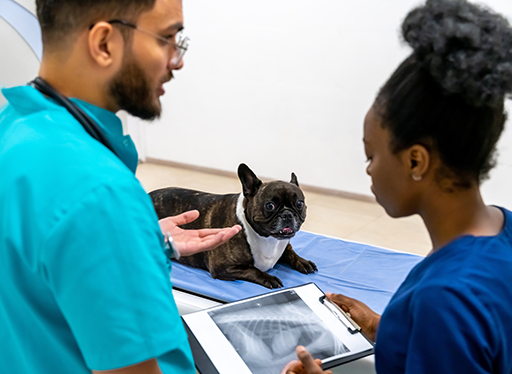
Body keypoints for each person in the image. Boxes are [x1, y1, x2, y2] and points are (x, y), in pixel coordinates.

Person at [0, 0, 241, 373]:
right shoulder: (101, 193)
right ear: (104, 44)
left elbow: (42, 260)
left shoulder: (13, 130)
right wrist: (116, 229)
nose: (176, 60)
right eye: (166, 38)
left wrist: (138, 242)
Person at [283, 0, 512, 373]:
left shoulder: (444, 300)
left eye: (371, 155)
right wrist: (387, 328)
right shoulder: (505, 231)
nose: (369, 171)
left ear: (415, 161)